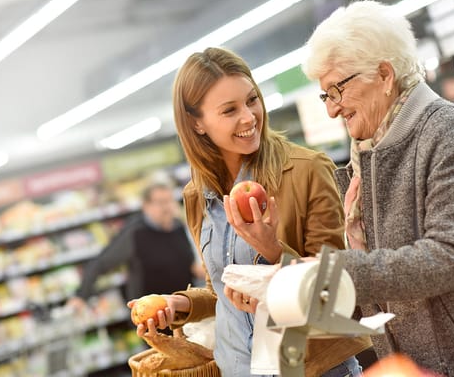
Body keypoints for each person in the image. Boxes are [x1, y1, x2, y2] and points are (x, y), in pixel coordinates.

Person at [299, 0, 454, 377]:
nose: (331, 109)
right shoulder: (368, 153)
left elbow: (449, 255)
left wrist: (343, 269)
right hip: (417, 364)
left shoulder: (447, 131)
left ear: (384, 74)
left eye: (336, 90)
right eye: (324, 94)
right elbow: (384, 277)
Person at [130, 47, 372, 377]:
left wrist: (272, 250)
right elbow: (224, 291)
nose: (249, 117)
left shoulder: (306, 171)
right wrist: (181, 305)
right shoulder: (197, 195)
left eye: (252, 99)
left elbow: (337, 291)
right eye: (229, 110)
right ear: (196, 123)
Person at [68, 181, 204, 314]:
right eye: (161, 202)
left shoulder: (179, 227)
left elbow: (189, 262)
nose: (167, 207)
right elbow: (101, 263)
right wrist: (81, 295)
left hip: (183, 310)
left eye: (169, 201)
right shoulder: (135, 234)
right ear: (146, 206)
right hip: (151, 315)